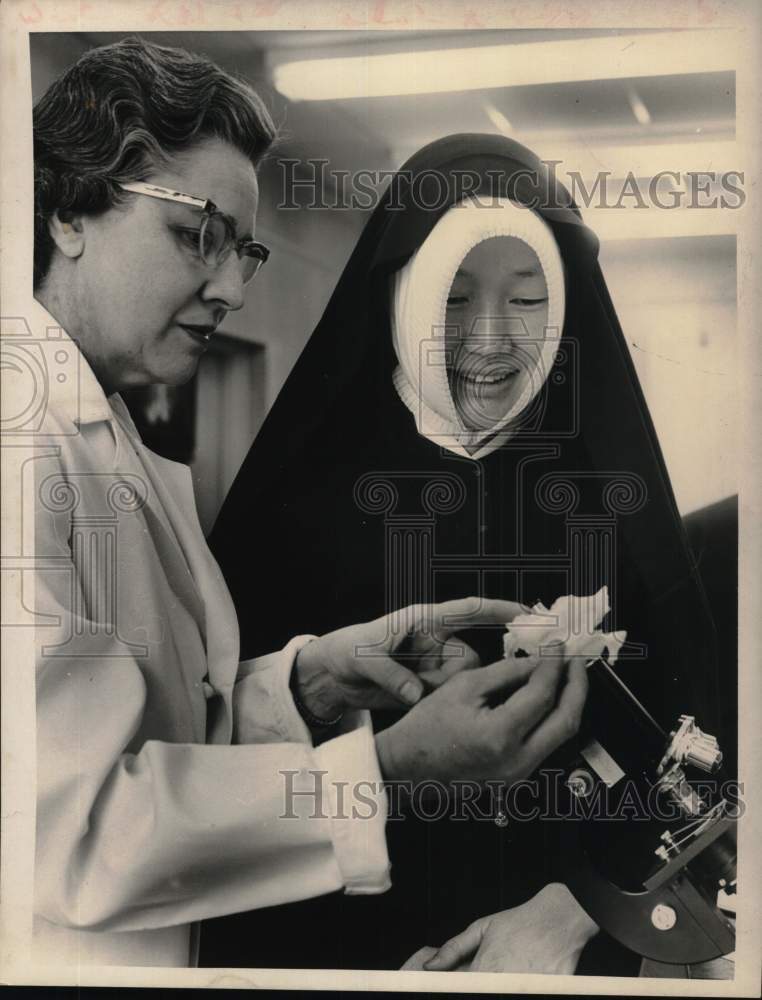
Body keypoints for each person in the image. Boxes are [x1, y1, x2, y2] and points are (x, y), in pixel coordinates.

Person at [28, 41, 588, 969]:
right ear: (66, 213)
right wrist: (392, 769)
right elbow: (77, 831)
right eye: (197, 233)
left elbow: (161, 735)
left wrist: (310, 684)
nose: (233, 287)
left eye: (241, 249)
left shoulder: (102, 427)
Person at [206, 134, 722, 973]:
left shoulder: (612, 502)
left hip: (562, 947)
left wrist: (580, 907)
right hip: (329, 946)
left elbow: (704, 752)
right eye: (453, 298)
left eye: (525, 302)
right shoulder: (296, 502)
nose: (489, 340)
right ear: (402, 297)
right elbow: (207, 755)